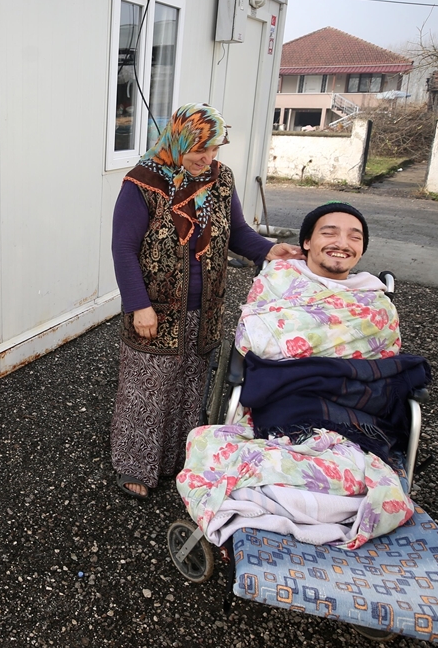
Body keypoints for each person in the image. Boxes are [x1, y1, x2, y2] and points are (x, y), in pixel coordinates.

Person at [176, 201, 430, 550]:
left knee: (336, 471)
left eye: (354, 237)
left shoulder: (376, 302)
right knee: (208, 445)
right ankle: (306, 508)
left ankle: (283, 505)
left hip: (355, 415)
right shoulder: (278, 282)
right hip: (284, 404)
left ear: (360, 250)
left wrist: (304, 348)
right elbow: (254, 342)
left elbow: (384, 363)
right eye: (329, 232)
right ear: (306, 242)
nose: (342, 242)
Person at [109, 104, 303, 499]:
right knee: (147, 389)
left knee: (190, 386)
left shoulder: (220, 179)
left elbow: (238, 232)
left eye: (214, 149)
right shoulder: (143, 183)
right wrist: (137, 304)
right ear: (178, 140)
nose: (207, 158)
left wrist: (269, 251)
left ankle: (178, 460)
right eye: (199, 148)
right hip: (156, 308)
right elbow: (123, 248)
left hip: (206, 307)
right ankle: (135, 466)